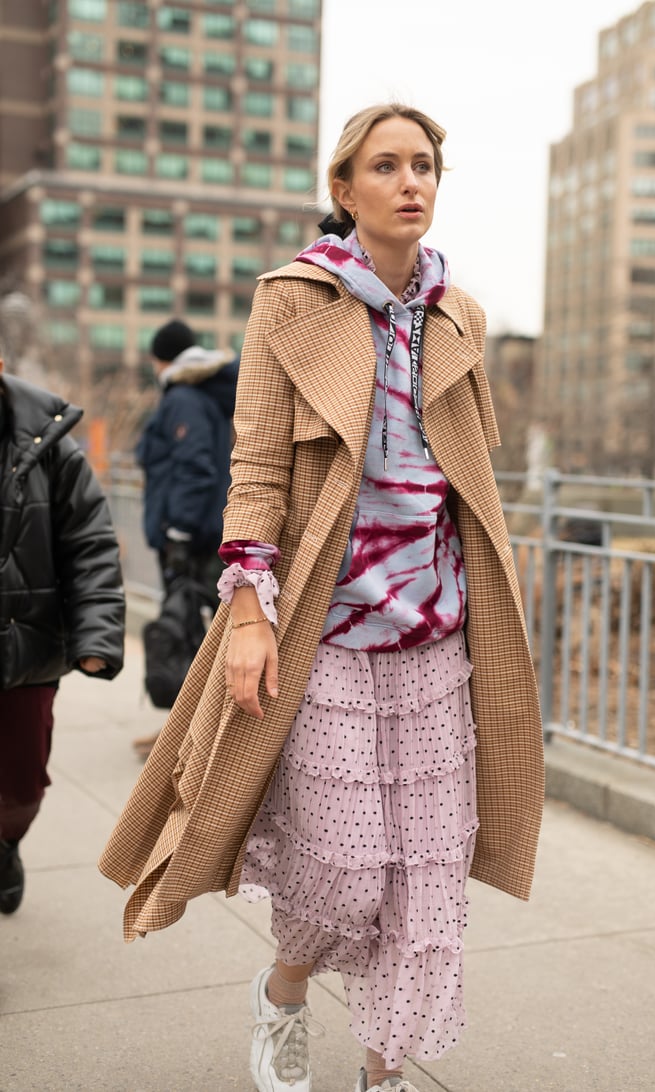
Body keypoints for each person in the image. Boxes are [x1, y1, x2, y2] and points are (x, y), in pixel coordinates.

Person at [99, 103, 545, 1092]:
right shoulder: (292, 302)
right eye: (384, 166)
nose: (409, 182)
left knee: (427, 884)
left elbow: (469, 474)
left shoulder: (456, 313)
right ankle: (285, 992)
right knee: (342, 875)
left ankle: (383, 1075)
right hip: (326, 635)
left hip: (436, 639)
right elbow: (255, 465)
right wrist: (250, 611)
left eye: (423, 165)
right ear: (344, 190)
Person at [0, 349, 125, 914]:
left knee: (22, 787)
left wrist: (95, 636)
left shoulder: (50, 444)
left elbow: (91, 545)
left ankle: (6, 843)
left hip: (24, 651)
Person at [133, 319, 239, 756]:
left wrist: (178, 530)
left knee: (191, 637)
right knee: (202, 635)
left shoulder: (183, 398)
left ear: (162, 359)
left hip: (192, 538)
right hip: (205, 533)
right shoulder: (199, 395)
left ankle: (194, 741)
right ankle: (190, 734)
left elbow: (194, 467)